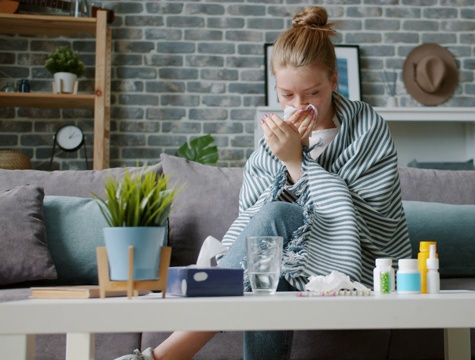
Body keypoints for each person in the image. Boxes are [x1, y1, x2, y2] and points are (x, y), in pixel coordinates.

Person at [117, 6, 411, 360]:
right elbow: (252, 220)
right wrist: (286, 157)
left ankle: (165, 355)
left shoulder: (368, 128)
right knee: (270, 259)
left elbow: (374, 221)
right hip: (287, 258)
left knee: (276, 228)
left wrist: (295, 160)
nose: (300, 106)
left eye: (313, 93)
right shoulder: (269, 142)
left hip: (356, 261)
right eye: (287, 96)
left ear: (334, 80)